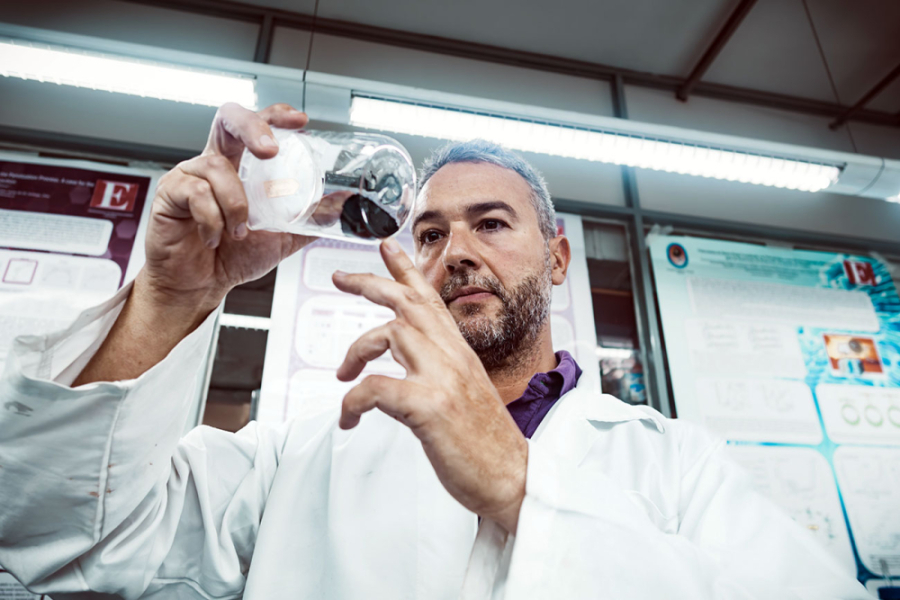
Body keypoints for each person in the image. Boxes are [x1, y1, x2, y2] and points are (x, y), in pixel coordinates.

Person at [0, 103, 867, 600]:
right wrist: (171, 297)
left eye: (492, 223)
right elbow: (65, 538)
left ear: (558, 257)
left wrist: (523, 491)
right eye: (430, 232)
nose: (456, 251)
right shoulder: (308, 449)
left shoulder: (675, 464)